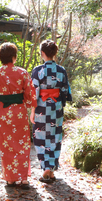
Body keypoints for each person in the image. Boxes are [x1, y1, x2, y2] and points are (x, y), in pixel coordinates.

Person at [0, 42, 36, 189]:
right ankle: (23, 178)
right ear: (14, 57)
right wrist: (30, 105)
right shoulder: (22, 72)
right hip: (19, 112)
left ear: (0, 57)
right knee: (22, 144)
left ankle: (10, 179)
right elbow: (30, 93)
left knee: (6, 144)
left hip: (4, 112)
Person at [30, 40, 71, 183]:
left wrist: (32, 111)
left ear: (42, 53)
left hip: (41, 107)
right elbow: (65, 90)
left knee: (40, 137)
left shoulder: (37, 71)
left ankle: (46, 169)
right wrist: (61, 102)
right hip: (56, 107)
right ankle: (51, 170)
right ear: (54, 53)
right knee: (55, 137)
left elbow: (33, 93)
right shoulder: (61, 70)